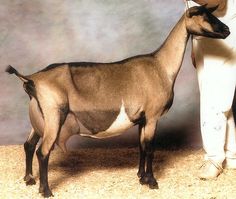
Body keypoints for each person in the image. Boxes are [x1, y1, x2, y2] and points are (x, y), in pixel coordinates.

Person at [187, 0, 236, 179]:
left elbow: (218, 1)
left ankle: (214, 158)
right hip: (204, 37)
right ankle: (232, 154)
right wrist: (195, 45)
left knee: (215, 99)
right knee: (221, 98)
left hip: (224, 36)